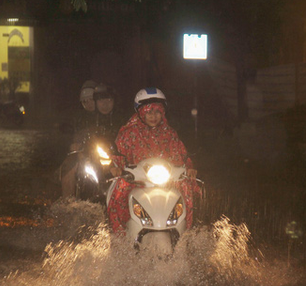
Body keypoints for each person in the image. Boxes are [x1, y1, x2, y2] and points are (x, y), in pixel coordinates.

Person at [107, 87, 200, 233]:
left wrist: (189, 168)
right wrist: (116, 168)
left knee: (188, 187)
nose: (153, 116)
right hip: (136, 180)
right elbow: (118, 156)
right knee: (119, 190)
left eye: (157, 111)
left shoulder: (169, 133)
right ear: (141, 112)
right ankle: (119, 233)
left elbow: (182, 154)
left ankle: (186, 233)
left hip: (166, 180)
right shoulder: (128, 133)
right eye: (149, 112)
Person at [59, 80, 99, 198]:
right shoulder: (78, 117)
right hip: (82, 154)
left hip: (105, 154)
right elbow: (69, 134)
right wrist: (72, 145)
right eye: (84, 101)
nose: (88, 104)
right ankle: (68, 201)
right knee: (68, 167)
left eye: (91, 100)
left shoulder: (107, 114)